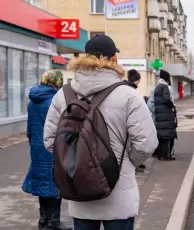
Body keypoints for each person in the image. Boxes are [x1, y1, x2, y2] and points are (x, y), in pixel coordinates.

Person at [43, 34, 158, 230]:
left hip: (80, 191)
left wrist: (75, 161)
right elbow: (146, 143)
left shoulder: (64, 94)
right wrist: (127, 163)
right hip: (118, 193)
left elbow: (50, 140)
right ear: (114, 59)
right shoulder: (129, 95)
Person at [22, 70, 72, 230]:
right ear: (57, 83)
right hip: (51, 147)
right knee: (55, 182)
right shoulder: (54, 100)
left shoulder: (33, 101)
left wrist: (33, 143)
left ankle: (43, 219)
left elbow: (29, 128)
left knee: (43, 182)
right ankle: (54, 221)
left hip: (36, 147)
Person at [123, 69, 147, 172]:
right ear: (135, 79)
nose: (140, 82)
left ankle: (136, 163)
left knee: (132, 144)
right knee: (131, 144)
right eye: (138, 79)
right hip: (129, 122)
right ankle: (134, 163)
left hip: (128, 122)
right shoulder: (130, 90)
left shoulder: (127, 88)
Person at [154, 70, 177, 161]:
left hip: (160, 115)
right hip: (166, 115)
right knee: (168, 135)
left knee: (162, 136)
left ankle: (161, 155)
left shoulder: (157, 87)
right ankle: (167, 155)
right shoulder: (165, 87)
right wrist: (172, 106)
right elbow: (167, 99)